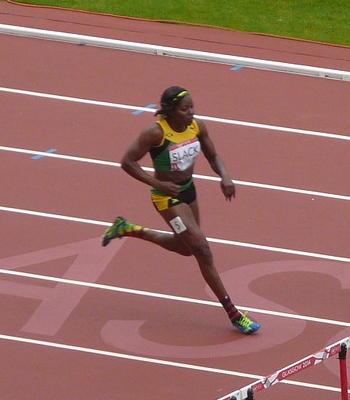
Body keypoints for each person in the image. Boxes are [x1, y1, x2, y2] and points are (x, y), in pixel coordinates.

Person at [101, 86, 259, 334]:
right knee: (202, 250)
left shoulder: (197, 126)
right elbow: (127, 162)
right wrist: (158, 183)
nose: (190, 113)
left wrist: (225, 176)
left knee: (186, 248)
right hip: (167, 198)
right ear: (170, 110)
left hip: (188, 191)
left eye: (192, 108)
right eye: (185, 109)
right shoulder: (155, 134)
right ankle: (234, 314)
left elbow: (213, 156)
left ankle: (128, 228)